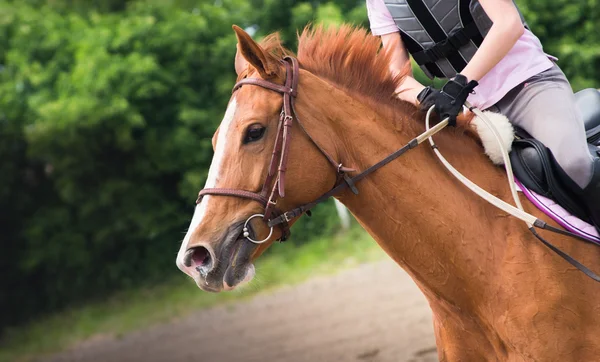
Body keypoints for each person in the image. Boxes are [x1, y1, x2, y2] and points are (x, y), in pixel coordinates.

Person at [366, 0, 600, 231]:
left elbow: (508, 23)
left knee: (574, 163)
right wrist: (427, 97)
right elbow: (395, 73)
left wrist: (460, 84)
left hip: (527, 84)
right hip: (472, 111)